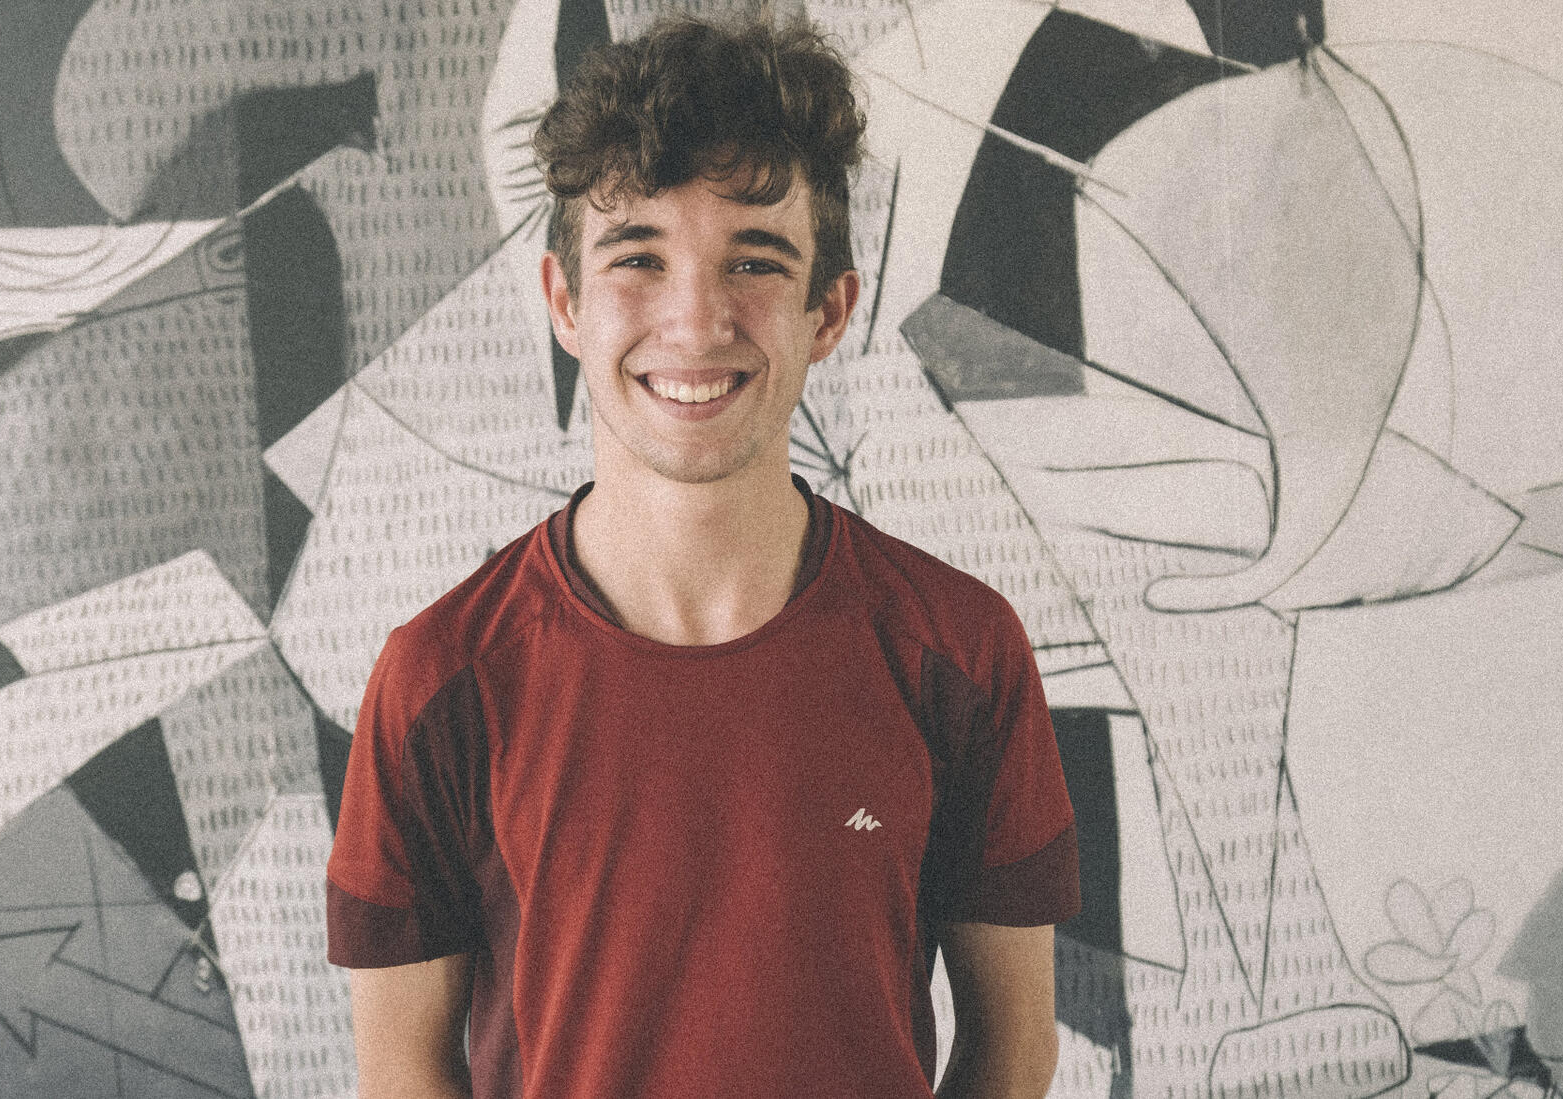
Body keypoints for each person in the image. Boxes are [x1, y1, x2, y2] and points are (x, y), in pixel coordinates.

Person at [324, 14, 1079, 1098]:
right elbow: (403, 1073)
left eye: (755, 261)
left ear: (829, 313)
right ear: (565, 302)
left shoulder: (958, 649)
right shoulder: (438, 678)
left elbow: (1014, 1051)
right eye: (639, 258)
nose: (696, 320)